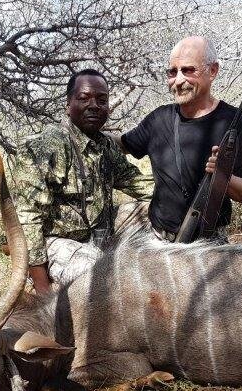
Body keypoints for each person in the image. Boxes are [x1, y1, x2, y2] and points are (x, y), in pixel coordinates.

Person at [8, 69, 153, 294]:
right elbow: (28, 220)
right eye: (84, 98)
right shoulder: (46, 146)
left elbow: (141, 185)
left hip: (98, 235)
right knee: (106, 275)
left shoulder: (105, 146)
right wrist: (43, 290)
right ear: (68, 105)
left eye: (101, 100)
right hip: (55, 241)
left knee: (159, 210)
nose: (94, 105)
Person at [114, 36, 242, 242]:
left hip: (209, 245)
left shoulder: (234, 122)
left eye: (188, 70)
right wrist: (84, 132)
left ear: (213, 71)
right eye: (172, 72)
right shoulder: (159, 119)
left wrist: (223, 176)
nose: (179, 80)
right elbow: (123, 144)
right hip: (158, 241)